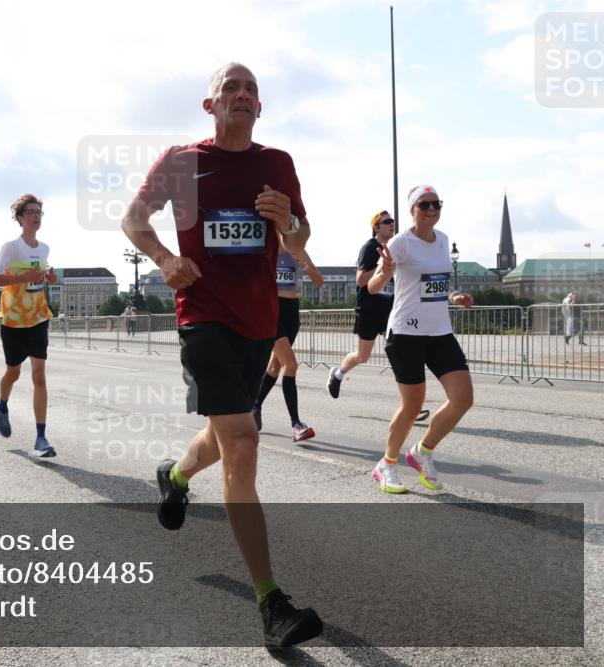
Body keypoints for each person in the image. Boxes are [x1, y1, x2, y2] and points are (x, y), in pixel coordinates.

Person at [121, 63, 322, 649]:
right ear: (209, 105)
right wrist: (163, 260)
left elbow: (301, 237)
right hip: (202, 316)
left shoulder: (277, 163)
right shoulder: (182, 162)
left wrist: (290, 225)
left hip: (258, 321)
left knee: (227, 431)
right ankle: (271, 606)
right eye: (230, 88)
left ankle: (176, 475)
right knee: (242, 440)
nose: (241, 95)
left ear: (260, 108)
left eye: (251, 90)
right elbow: (133, 220)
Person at [367, 185, 474, 494]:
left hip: (440, 331)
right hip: (405, 334)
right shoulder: (401, 243)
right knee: (412, 406)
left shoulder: (442, 240)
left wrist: (455, 296)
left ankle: (422, 451)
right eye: (424, 204)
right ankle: (387, 464)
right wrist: (385, 271)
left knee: (463, 398)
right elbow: (373, 287)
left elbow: (441, 282)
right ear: (412, 210)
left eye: (436, 204)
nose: (431, 209)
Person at [328, 211, 430, 422]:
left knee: (400, 353)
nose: (392, 224)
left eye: (392, 221)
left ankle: (412, 406)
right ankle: (337, 374)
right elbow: (360, 280)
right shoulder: (369, 247)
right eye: (387, 222)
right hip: (369, 309)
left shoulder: (396, 246)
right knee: (362, 356)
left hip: (392, 309)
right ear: (376, 227)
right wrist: (383, 266)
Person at [0, 193, 59, 458]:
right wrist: (24, 277)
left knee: (39, 376)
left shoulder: (44, 249)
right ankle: (2, 404)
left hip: (38, 317)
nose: (36, 216)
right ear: (20, 218)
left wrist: (49, 277)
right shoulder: (11, 247)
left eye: (39, 212)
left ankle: (41, 438)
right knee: (13, 374)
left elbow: (39, 279)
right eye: (30, 212)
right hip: (14, 321)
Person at [251, 243, 324, 441]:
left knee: (275, 366)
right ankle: (296, 424)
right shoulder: (266, 251)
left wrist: (305, 266)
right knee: (290, 363)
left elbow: (320, 281)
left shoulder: (298, 250)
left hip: (292, 310)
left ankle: (254, 406)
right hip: (271, 310)